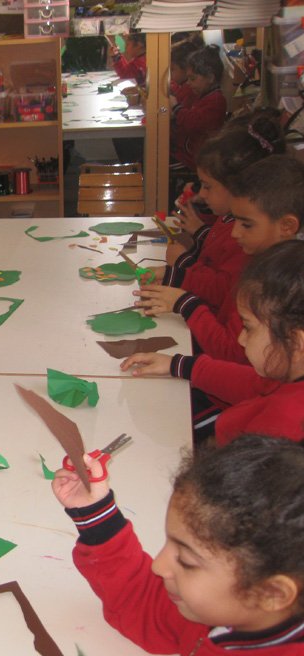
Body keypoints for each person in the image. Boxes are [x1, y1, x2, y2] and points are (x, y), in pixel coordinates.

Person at [26, 434, 304, 656]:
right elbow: (147, 607)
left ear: (272, 593)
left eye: (186, 560)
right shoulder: (230, 606)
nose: (158, 565)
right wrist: (97, 515)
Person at [137, 111, 286, 366]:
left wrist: (181, 272)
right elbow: (215, 258)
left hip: (208, 343)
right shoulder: (236, 223)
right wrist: (198, 233)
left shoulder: (258, 266)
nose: (202, 193)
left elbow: (220, 291)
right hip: (205, 337)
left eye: (207, 186)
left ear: (236, 188)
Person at [122, 241, 304, 446]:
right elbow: (252, 383)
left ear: (295, 343)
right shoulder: (286, 375)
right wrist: (180, 365)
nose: (241, 339)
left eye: (248, 327)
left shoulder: (282, 427)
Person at [170, 45, 226, 171]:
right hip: (182, 152)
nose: (188, 83)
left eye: (193, 79)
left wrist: (176, 108)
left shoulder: (216, 101)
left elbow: (193, 123)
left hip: (190, 159)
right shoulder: (202, 96)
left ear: (210, 78)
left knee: (153, 164)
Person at [169, 35, 203, 108]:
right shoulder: (181, 86)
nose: (170, 73)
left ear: (186, 69)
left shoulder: (190, 90)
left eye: (172, 69)